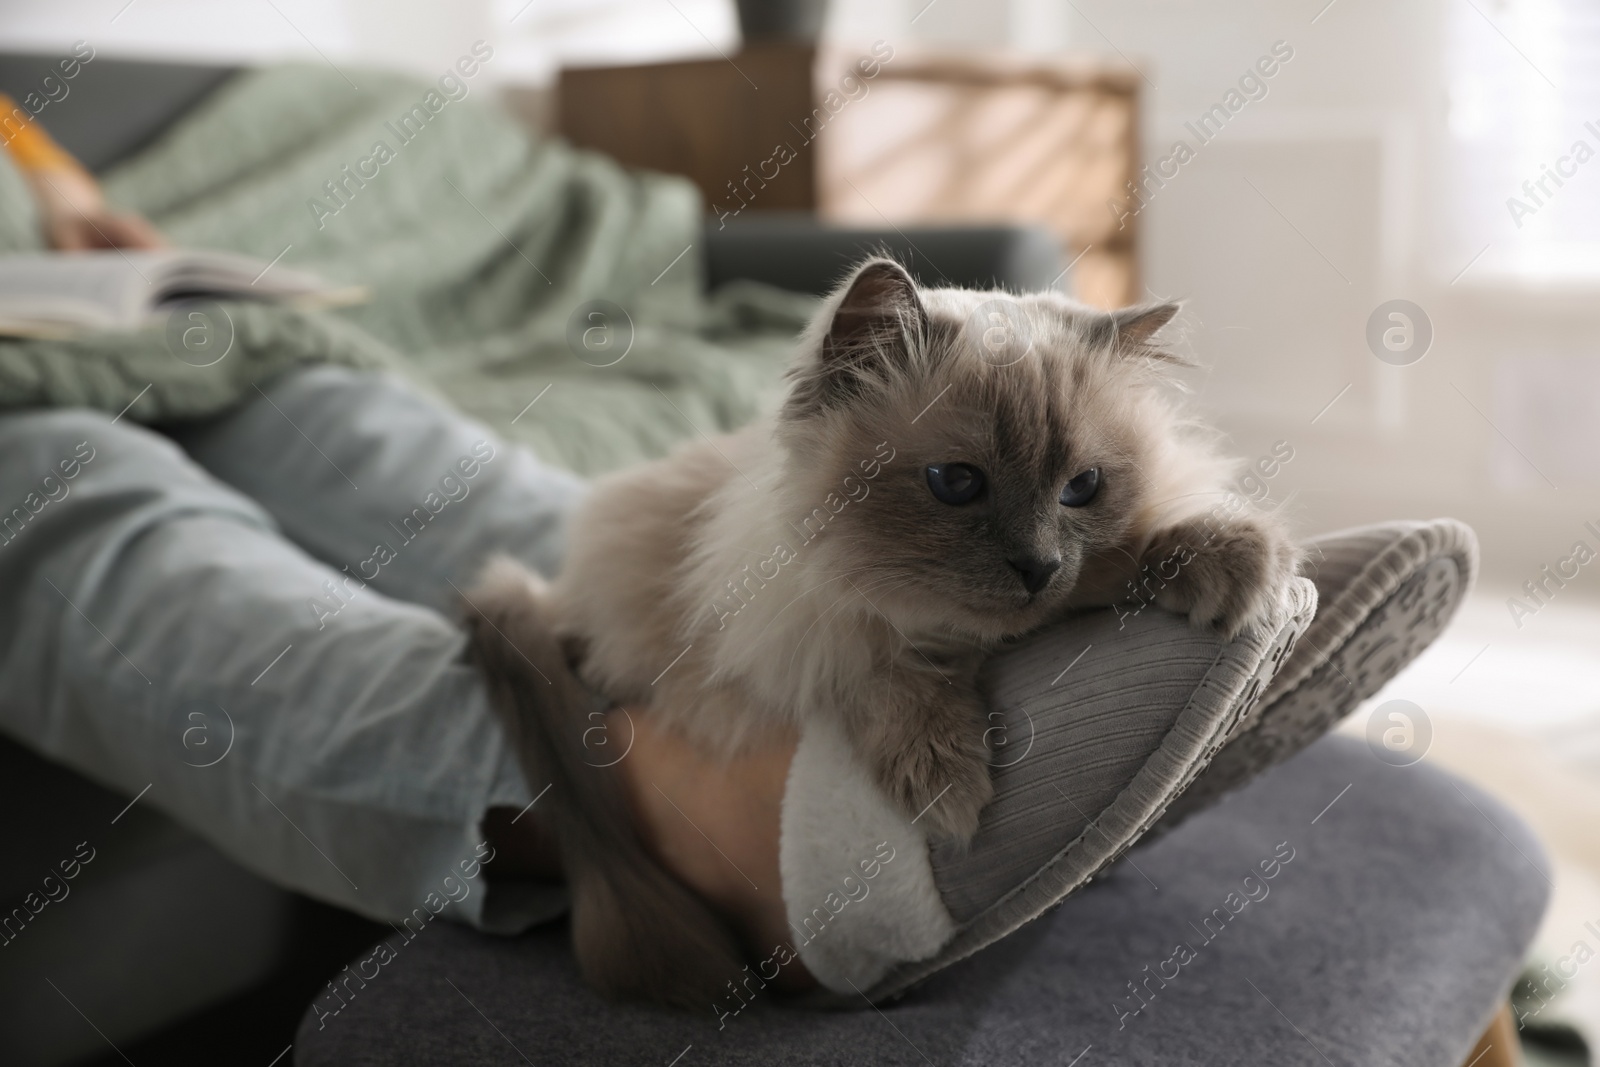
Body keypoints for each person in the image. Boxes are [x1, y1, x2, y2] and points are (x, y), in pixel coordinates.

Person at [0, 97, 814, 987]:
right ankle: (677, 814)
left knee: (343, 422)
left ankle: (793, 669)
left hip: (86, 326)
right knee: (73, 490)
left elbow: (39, 166)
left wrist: (75, 212)